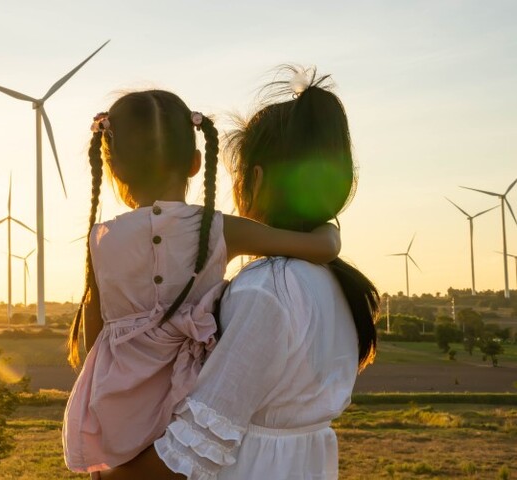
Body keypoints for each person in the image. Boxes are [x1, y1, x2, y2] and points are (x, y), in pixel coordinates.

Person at [99, 67, 379, 479]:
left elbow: (196, 444)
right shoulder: (336, 285)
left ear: (258, 179)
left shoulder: (265, 291)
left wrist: (110, 475)